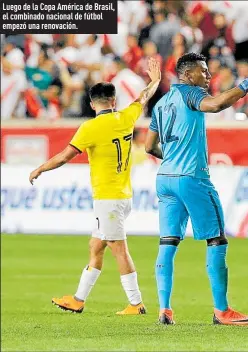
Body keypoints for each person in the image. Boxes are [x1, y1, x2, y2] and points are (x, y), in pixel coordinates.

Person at [145, 52, 248, 325]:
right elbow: (215, 105)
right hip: (192, 177)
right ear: (187, 74)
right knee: (216, 239)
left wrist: (171, 158)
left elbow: (149, 146)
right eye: (203, 71)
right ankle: (222, 310)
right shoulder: (190, 94)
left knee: (168, 242)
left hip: (165, 178)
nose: (207, 76)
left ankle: (164, 309)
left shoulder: (161, 104)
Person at [28, 58, 162, 315]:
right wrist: (154, 81)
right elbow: (143, 98)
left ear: (92, 104)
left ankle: (136, 304)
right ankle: (78, 299)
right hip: (123, 196)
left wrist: (40, 168)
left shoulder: (89, 128)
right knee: (95, 246)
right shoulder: (126, 117)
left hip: (108, 198)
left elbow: (64, 156)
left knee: (118, 249)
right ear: (113, 101)